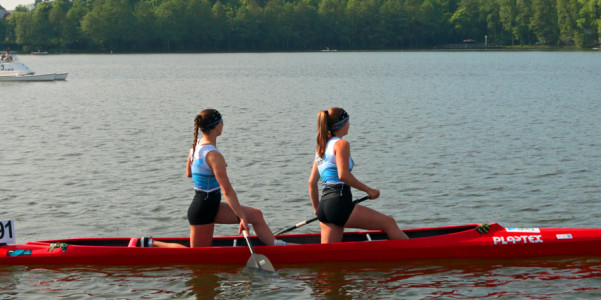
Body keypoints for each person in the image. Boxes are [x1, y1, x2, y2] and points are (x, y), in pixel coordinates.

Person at [143, 108, 280, 248]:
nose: (223, 124)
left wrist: (205, 171)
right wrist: (242, 217)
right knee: (195, 256)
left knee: (256, 215)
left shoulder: (196, 146)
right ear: (217, 125)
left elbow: (189, 173)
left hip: (210, 205)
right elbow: (227, 191)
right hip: (203, 210)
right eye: (222, 121)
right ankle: (151, 243)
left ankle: (277, 245)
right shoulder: (213, 155)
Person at [308, 107, 409, 243]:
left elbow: (311, 183)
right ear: (341, 125)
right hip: (339, 204)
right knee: (389, 223)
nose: (349, 125)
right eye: (347, 122)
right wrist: (368, 190)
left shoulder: (321, 147)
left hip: (324, 208)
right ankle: (419, 256)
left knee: (330, 255)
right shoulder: (341, 144)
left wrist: (316, 209)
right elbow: (343, 175)